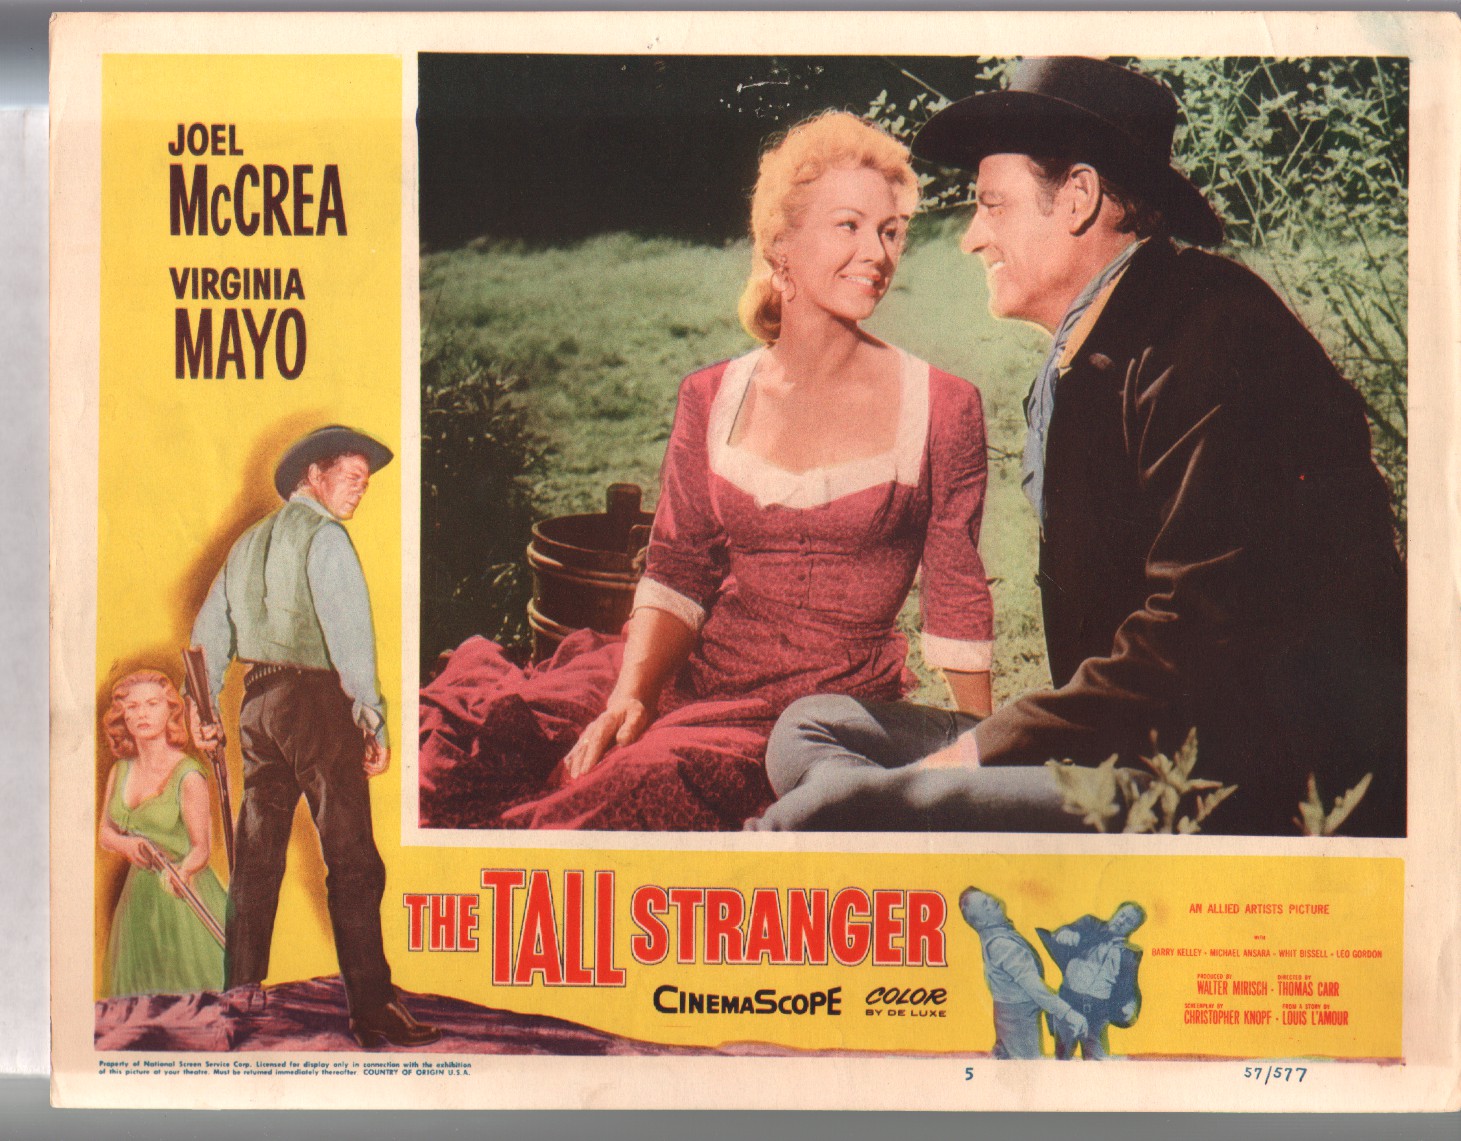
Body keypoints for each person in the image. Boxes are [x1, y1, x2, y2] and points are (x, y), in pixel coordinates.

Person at [758, 57, 1406, 836]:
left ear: (1077, 198)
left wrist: (962, 762)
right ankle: (886, 816)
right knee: (810, 728)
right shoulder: (1105, 340)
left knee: (835, 806)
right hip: (1127, 740)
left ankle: (867, 817)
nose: (970, 238)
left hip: (1236, 782)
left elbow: (1190, 643)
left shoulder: (1214, 339)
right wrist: (969, 765)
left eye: (991, 206)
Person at [419, 111, 995, 831]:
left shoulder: (942, 405)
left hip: (813, 716)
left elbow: (956, 593)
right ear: (780, 247)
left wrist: (982, 749)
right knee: (487, 747)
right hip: (692, 674)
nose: (876, 254)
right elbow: (678, 568)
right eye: (848, 226)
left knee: (614, 799)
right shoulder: (712, 394)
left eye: (890, 231)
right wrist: (631, 695)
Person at [191, 425, 439, 1048]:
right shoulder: (325, 538)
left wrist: (203, 708)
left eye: (365, 482)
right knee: (354, 862)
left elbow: (206, 638)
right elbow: (350, 636)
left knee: (256, 861)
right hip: (318, 707)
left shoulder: (246, 545)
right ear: (313, 475)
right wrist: (372, 717)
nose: (359, 489)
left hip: (258, 707)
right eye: (350, 477)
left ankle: (238, 1002)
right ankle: (373, 1010)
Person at [98, 669, 227, 998]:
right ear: (124, 717)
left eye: (152, 704)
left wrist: (182, 872)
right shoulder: (120, 770)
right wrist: (127, 844)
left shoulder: (189, 775)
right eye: (133, 707)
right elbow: (105, 834)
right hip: (138, 903)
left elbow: (201, 848)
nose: (142, 713)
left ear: (170, 711)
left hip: (183, 895)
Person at [959, 888, 1086, 1059]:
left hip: (1011, 1015)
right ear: (982, 921)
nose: (992, 900)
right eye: (985, 904)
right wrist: (1068, 1014)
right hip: (1018, 1019)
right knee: (1028, 1067)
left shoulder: (998, 936)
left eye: (987, 897)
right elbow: (1034, 987)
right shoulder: (1002, 944)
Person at [1037, 903, 1145, 1060]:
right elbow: (1064, 932)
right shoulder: (1090, 925)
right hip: (1068, 1003)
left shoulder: (1129, 954)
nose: (1121, 921)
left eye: (1128, 921)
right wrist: (1065, 934)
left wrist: (1131, 1005)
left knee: (1095, 1062)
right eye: (1121, 915)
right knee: (1062, 1057)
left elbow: (1129, 985)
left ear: (1133, 929)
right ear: (1115, 912)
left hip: (1097, 1013)